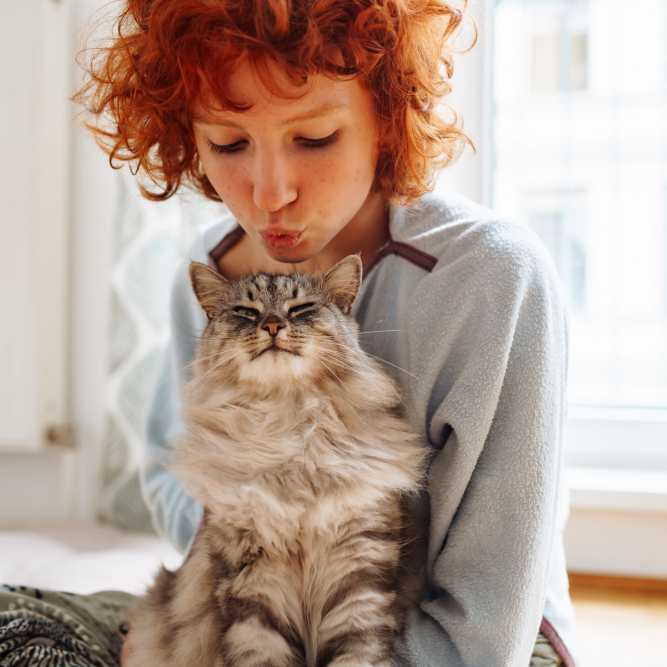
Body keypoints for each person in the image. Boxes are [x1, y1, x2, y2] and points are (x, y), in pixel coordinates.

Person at [0, 1, 578, 666]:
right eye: (228, 144)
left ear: (386, 122)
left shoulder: (490, 278)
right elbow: (174, 482)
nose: (269, 193)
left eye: (313, 140)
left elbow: (489, 617)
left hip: (446, 638)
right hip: (245, 609)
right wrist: (257, 556)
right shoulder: (216, 274)